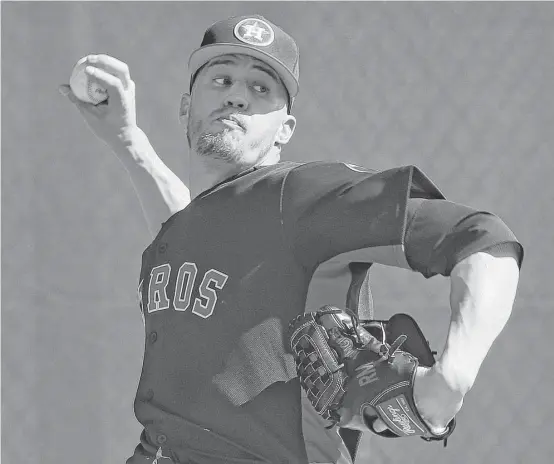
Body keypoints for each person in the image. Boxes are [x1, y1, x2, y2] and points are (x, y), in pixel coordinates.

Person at [59, 14, 523, 464]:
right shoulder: (192, 228)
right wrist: (127, 140)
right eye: (220, 79)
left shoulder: (298, 195)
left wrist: (452, 377)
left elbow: (482, 238)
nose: (238, 96)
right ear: (186, 106)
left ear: (285, 129)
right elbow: (189, 228)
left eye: (261, 88)